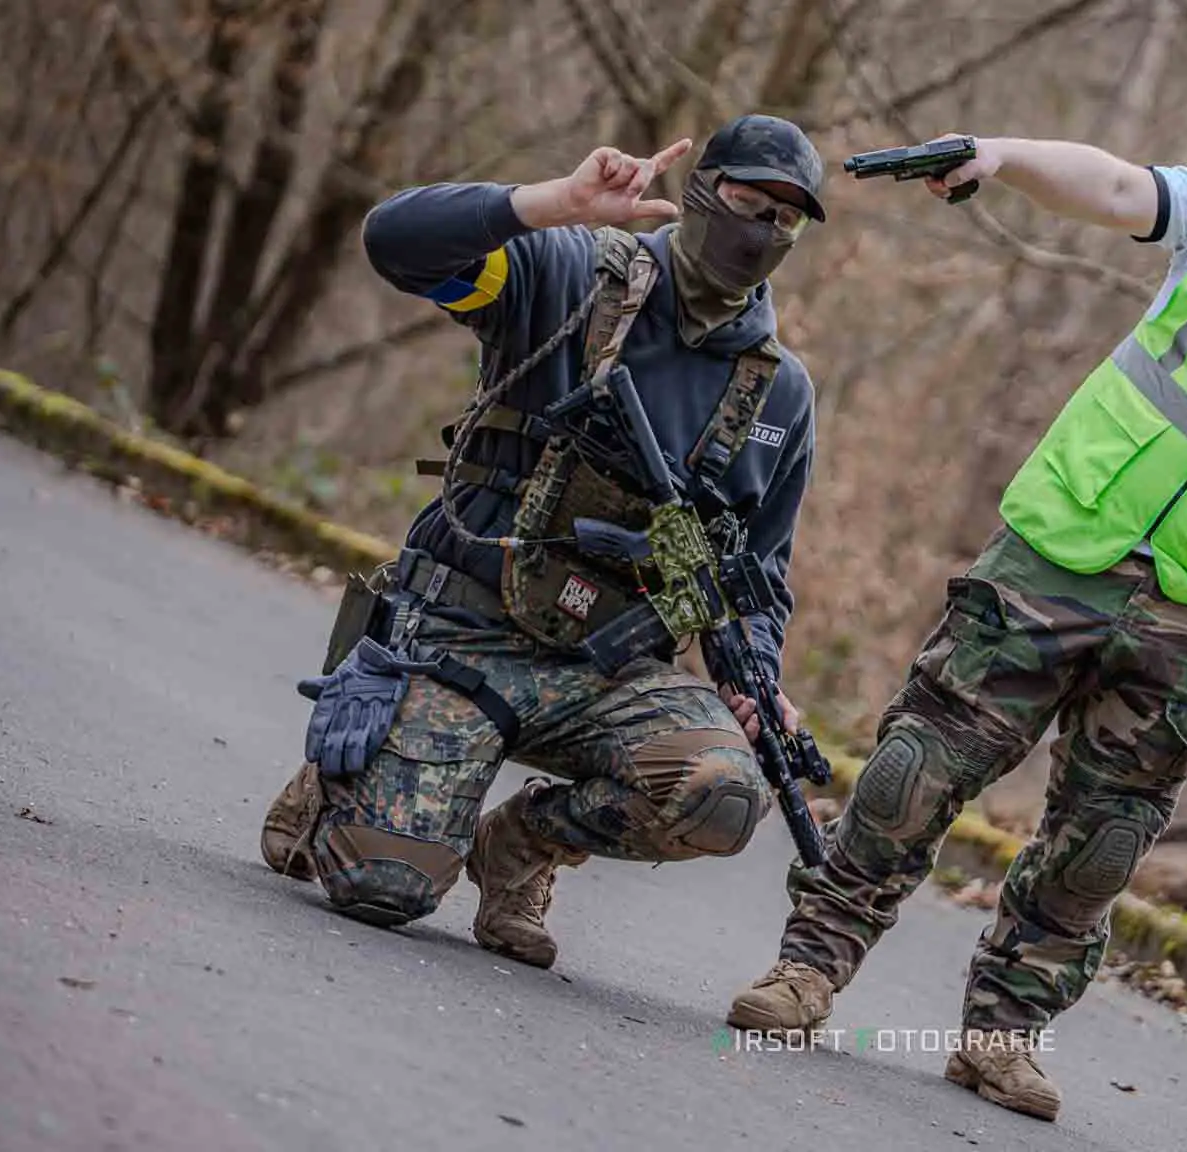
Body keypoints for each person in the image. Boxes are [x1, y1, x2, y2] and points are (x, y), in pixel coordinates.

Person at [726, 120, 1187, 1121]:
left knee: (1102, 845)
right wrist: (1003, 156)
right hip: (1060, 550)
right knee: (916, 769)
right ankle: (808, 969)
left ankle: (1002, 1037)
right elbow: (1121, 190)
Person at [258, 113, 829, 973]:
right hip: (466, 630)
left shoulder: (782, 394)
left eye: (787, 218)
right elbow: (394, 243)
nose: (765, 229)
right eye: (751, 201)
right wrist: (551, 203)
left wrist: (757, 680)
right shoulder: (568, 273)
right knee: (382, 887)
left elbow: (759, 571)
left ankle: (520, 846)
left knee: (720, 794)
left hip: (608, 670)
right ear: (703, 191)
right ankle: (347, 774)